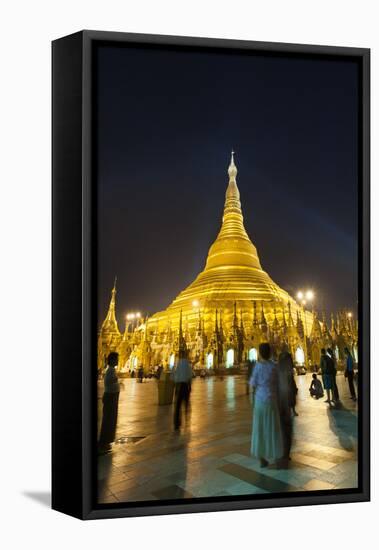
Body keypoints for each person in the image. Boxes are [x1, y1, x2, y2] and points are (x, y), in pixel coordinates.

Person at [250, 342, 283, 468]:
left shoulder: (258, 366)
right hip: (271, 399)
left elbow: (253, 383)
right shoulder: (274, 367)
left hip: (260, 401)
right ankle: (275, 455)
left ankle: (262, 458)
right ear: (270, 353)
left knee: (260, 429)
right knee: (273, 427)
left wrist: (252, 398)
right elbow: (278, 383)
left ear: (260, 353)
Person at [98, 352, 120, 454]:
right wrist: (116, 382)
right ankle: (104, 442)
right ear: (111, 360)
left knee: (111, 419)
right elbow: (108, 382)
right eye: (116, 359)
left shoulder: (112, 370)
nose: (117, 361)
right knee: (108, 420)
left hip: (112, 397)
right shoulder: (110, 371)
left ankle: (106, 442)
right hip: (110, 397)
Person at [277, 351, 297, 465]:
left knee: (286, 430)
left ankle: (285, 454)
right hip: (282, 405)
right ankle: (283, 454)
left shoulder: (286, 373)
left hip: (285, 405)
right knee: (285, 430)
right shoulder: (281, 373)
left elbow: (293, 388)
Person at [173, 348, 192, 430]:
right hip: (184, 386)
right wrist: (190, 386)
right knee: (186, 404)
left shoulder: (177, 364)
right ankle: (186, 420)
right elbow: (190, 375)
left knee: (178, 405)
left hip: (179, 386)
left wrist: (175, 386)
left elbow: (174, 375)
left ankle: (177, 423)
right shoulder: (186, 364)